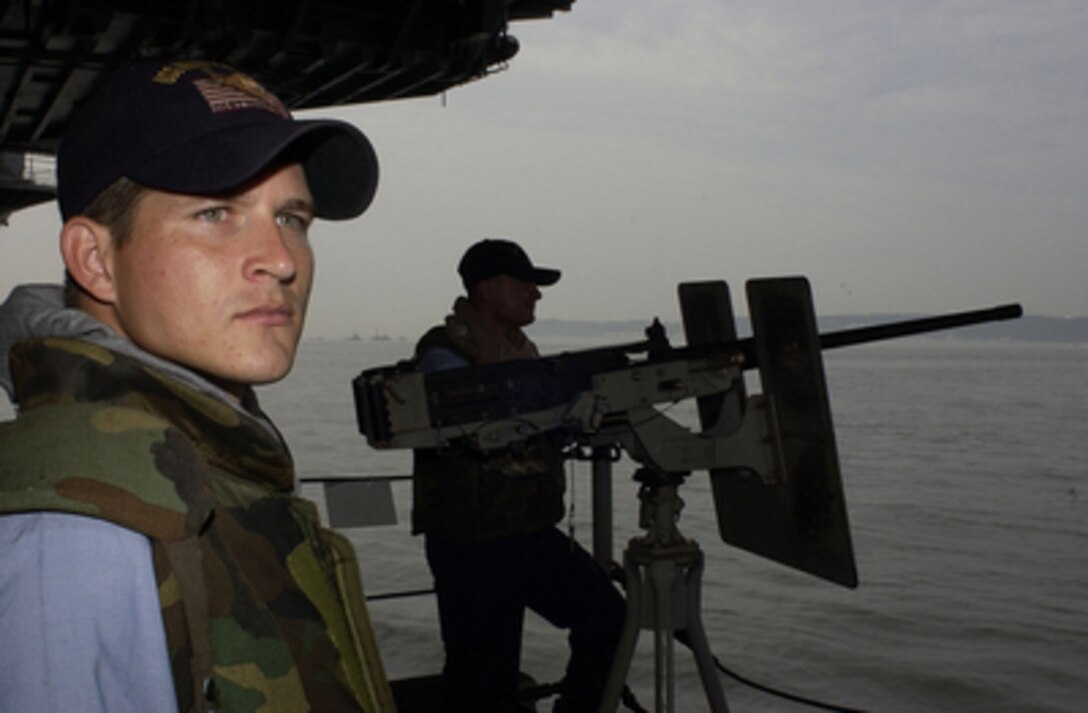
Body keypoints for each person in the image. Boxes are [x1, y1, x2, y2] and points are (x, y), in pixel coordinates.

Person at [0, 59, 392, 712]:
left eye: (292, 217)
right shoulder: (73, 541)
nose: (282, 258)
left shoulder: (197, 462)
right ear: (96, 260)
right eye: (216, 213)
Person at [413, 238, 626, 713]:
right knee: (483, 678)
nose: (537, 294)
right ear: (488, 289)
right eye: (526, 283)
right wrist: (560, 410)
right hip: (470, 539)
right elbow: (475, 417)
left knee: (608, 617)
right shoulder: (444, 352)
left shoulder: (522, 352)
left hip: (525, 531)